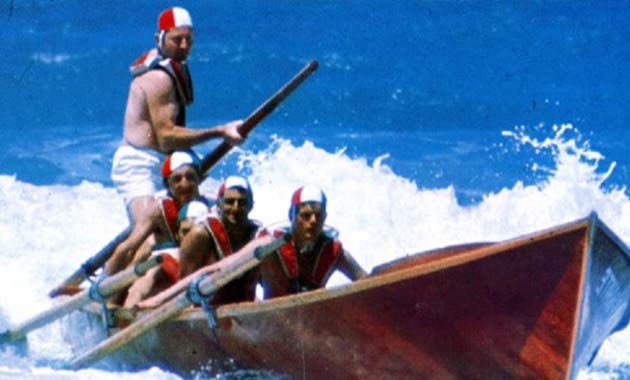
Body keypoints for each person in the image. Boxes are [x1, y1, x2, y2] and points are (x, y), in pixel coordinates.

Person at [111, 6, 244, 241]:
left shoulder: (176, 68)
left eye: (188, 40)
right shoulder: (159, 78)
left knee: (210, 216)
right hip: (138, 165)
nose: (184, 46)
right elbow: (166, 135)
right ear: (159, 39)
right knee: (150, 234)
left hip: (169, 164)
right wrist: (220, 132)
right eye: (176, 40)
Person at [104, 149, 208, 280]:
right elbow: (128, 248)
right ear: (166, 184)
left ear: (201, 179)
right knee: (144, 250)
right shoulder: (158, 210)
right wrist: (102, 281)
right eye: (177, 179)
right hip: (165, 269)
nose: (184, 184)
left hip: (199, 271)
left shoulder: (214, 207)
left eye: (190, 177)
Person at [257, 186, 368, 299]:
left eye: (318, 215)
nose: (313, 221)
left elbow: (364, 280)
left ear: (325, 217)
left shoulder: (334, 252)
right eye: (306, 215)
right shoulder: (269, 247)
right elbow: (241, 279)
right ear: (291, 215)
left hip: (312, 314)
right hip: (271, 313)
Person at [179, 175, 261, 305]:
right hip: (205, 317)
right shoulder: (200, 235)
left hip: (246, 317)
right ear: (219, 204)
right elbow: (183, 289)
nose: (235, 208)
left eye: (242, 202)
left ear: (251, 206)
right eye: (230, 201)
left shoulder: (258, 236)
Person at [123, 198, 210, 307]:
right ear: (176, 235)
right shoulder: (166, 259)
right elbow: (139, 289)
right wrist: (131, 308)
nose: (191, 239)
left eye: (194, 233)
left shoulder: (219, 257)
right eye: (186, 232)